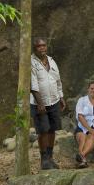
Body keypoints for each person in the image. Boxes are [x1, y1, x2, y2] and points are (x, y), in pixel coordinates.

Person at [30, 37, 66, 170]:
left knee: (52, 129)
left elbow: (57, 80)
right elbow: (32, 84)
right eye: (39, 46)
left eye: (44, 46)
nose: (42, 48)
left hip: (54, 100)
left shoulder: (51, 60)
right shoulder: (31, 62)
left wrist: (61, 97)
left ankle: (50, 157)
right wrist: (40, 103)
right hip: (39, 103)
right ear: (35, 48)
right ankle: (44, 159)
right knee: (43, 131)